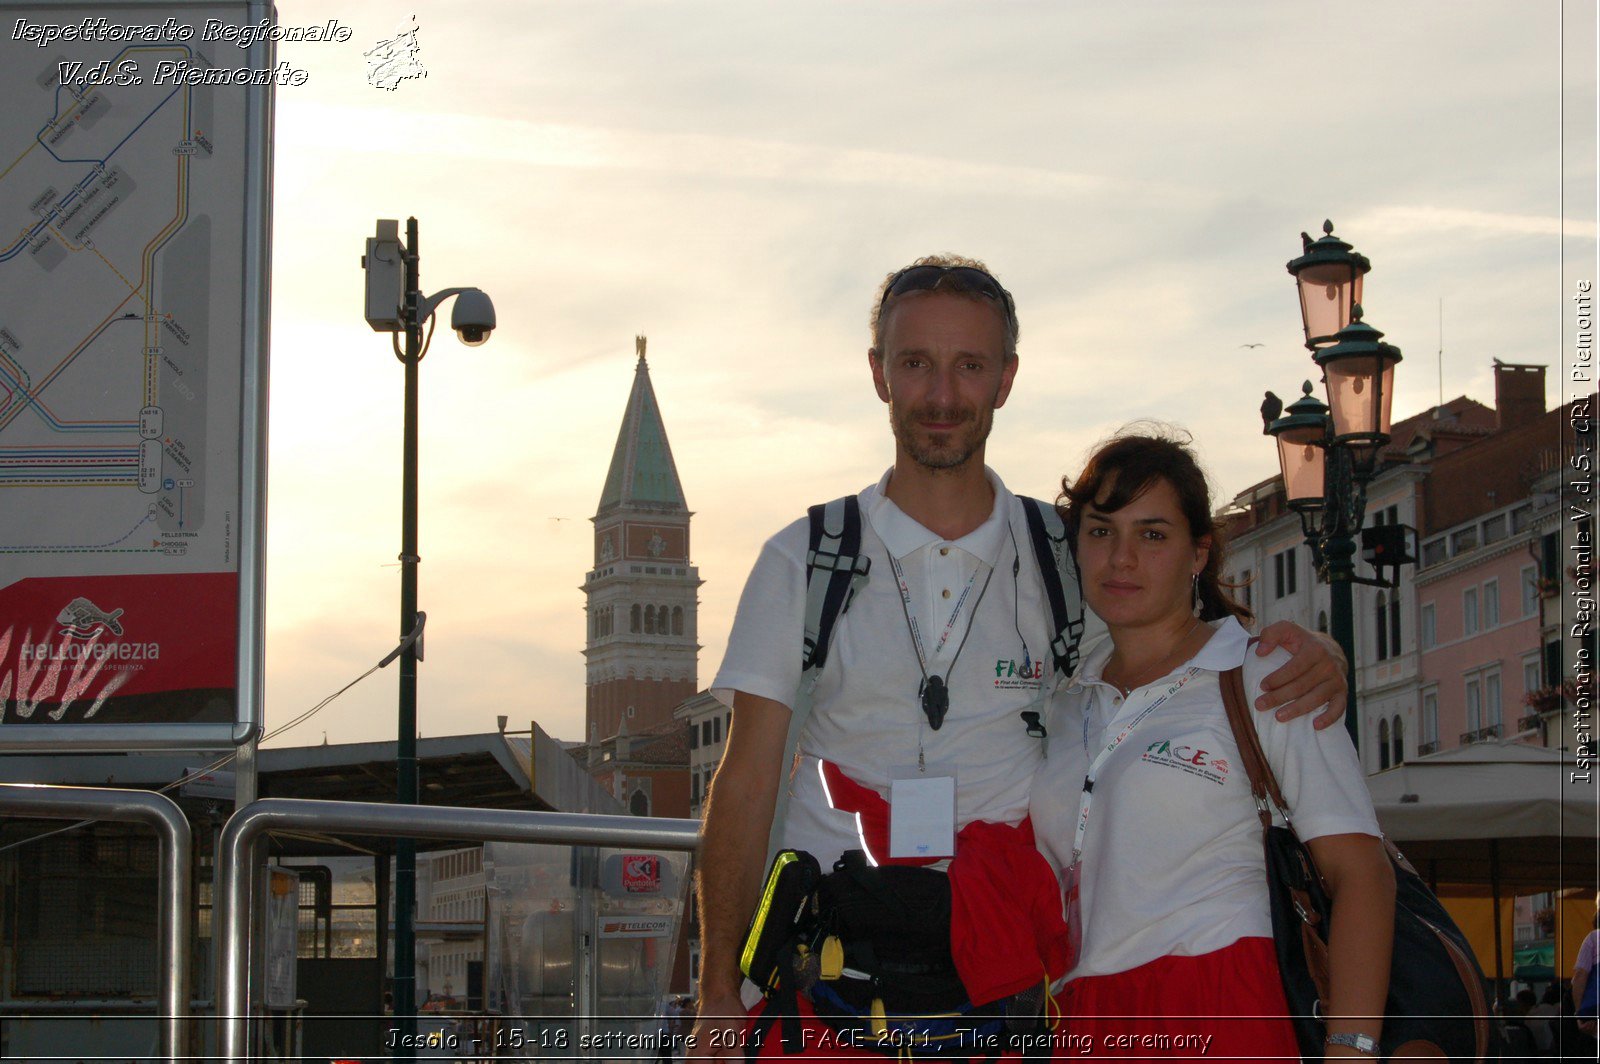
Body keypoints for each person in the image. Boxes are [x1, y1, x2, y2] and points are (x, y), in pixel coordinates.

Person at [691, 257, 1349, 1060]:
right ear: (878, 375)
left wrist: (1312, 648)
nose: (941, 396)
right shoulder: (804, 561)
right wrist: (717, 989)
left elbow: (1180, 644)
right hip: (828, 978)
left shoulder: (1064, 558)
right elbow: (746, 780)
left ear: (1005, 380)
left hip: (1001, 989)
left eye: (969, 366)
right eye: (916, 364)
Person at [1029, 430, 1394, 1061]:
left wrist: (1352, 1050)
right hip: (1082, 1018)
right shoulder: (1064, 703)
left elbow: (1361, 873)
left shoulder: (1264, 675)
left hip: (1219, 1000)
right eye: (1100, 530)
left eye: (1152, 534)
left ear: (1197, 555)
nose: (1121, 558)